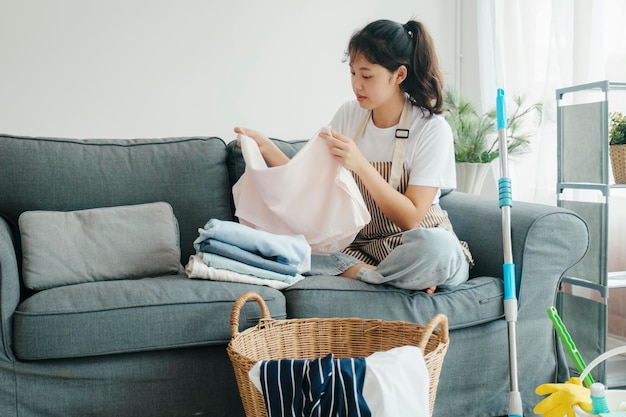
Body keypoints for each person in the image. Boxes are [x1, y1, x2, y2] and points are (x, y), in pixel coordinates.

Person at [234, 19, 472, 294]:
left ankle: (377, 277)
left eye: (367, 76)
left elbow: (412, 218)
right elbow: (307, 183)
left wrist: (360, 165)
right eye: (353, 74)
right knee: (295, 247)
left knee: (438, 249)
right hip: (362, 250)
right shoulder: (349, 115)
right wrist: (266, 149)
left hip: (415, 246)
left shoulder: (431, 128)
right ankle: (389, 279)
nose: (356, 85)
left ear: (399, 75)